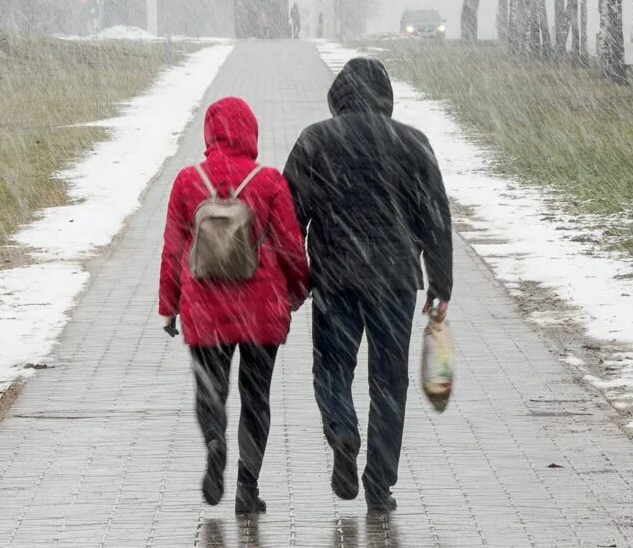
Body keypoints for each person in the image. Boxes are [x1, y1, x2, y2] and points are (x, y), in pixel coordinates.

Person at [283, 58, 452, 513]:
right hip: (395, 280)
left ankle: (342, 429)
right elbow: (436, 218)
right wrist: (440, 283)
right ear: (386, 97)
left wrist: (293, 277)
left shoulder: (316, 140)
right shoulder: (413, 143)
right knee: (389, 381)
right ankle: (379, 482)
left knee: (333, 369)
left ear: (339, 97)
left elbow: (287, 217)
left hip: (336, 277)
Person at [159, 97, 310, 514]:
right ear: (250, 132)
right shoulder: (268, 181)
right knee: (256, 397)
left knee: (211, 391)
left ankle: (213, 440)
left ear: (209, 132)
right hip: (261, 309)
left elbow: (173, 250)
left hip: (204, 308)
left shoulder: (188, 181)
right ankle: (248, 486)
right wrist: (299, 289)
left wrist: (169, 306)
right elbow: (290, 246)